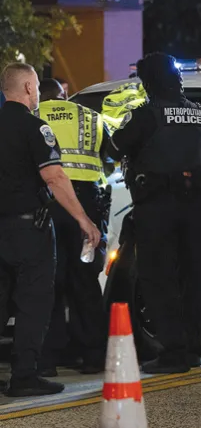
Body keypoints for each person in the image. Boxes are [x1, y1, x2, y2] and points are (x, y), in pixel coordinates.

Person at [107, 53, 201, 374]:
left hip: (157, 208)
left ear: (148, 83)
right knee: (195, 279)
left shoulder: (145, 116)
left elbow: (115, 147)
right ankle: (193, 348)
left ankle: (174, 352)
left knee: (160, 279)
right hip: (196, 209)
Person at [0, 63, 100, 396]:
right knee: (33, 302)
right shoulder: (34, 127)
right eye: (37, 89)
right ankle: (24, 376)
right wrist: (84, 219)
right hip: (29, 231)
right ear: (29, 87)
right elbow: (55, 177)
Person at [36, 79, 112, 377]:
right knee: (85, 281)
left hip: (49, 205)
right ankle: (93, 355)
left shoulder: (33, 117)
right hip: (86, 207)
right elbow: (108, 160)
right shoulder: (90, 117)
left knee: (49, 282)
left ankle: (48, 358)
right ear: (64, 96)